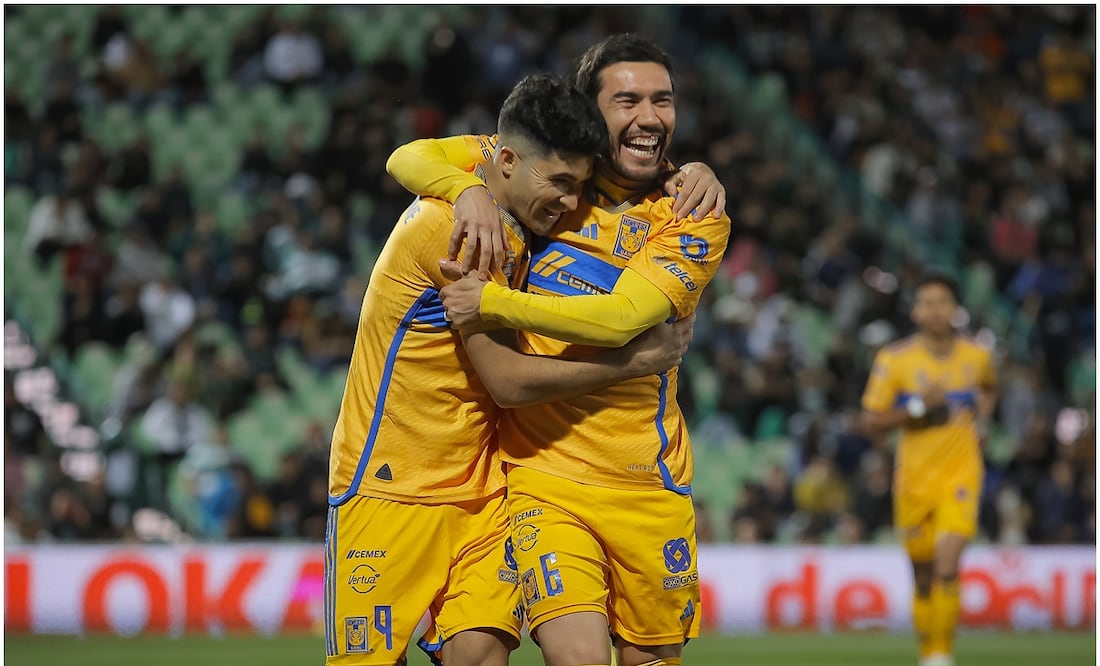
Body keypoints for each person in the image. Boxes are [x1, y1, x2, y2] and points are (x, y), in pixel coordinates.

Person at [325, 73, 694, 666]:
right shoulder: (458, 231)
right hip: (392, 489)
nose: (572, 203)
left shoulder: (502, 211)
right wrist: (634, 364)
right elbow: (507, 381)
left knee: (479, 656)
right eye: (559, 183)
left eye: (580, 186)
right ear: (503, 161)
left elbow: (413, 157)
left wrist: (688, 171)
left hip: (485, 490)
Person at [862, 273, 997, 666]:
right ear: (916, 310)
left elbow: (990, 387)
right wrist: (919, 407)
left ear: (955, 310)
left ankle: (941, 657)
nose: (936, 310)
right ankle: (928, 653)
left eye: (943, 302)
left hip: (961, 473)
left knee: (948, 564)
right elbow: (871, 420)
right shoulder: (896, 359)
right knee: (923, 576)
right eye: (928, 302)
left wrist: (982, 418)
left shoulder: (977, 357)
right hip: (914, 480)